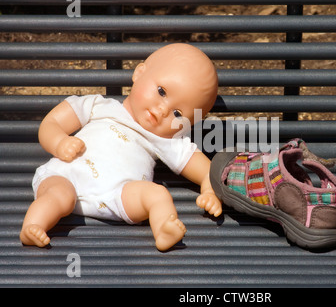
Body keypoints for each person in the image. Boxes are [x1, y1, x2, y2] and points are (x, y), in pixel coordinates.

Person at [20, 43, 222, 251]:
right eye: (161, 91)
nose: (163, 110)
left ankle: (163, 228)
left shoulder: (167, 142)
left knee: (158, 195)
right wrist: (59, 142)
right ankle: (33, 226)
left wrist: (209, 192)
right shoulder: (100, 106)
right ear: (140, 73)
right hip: (69, 175)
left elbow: (207, 172)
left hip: (117, 196)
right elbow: (51, 123)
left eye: (178, 114)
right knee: (59, 196)